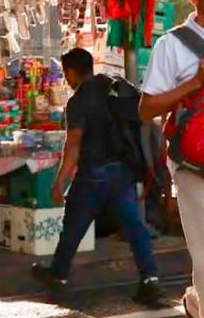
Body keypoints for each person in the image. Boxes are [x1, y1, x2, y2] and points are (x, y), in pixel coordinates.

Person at [31, 48, 162, 304]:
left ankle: (58, 275)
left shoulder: (78, 101)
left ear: (70, 72)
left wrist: (60, 181)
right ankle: (150, 279)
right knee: (135, 228)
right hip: (122, 170)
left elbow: (74, 144)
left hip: (92, 173)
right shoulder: (112, 86)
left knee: (74, 225)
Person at [139, 0, 204, 318]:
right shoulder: (174, 44)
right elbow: (146, 109)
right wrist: (194, 84)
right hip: (196, 167)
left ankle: (197, 305)